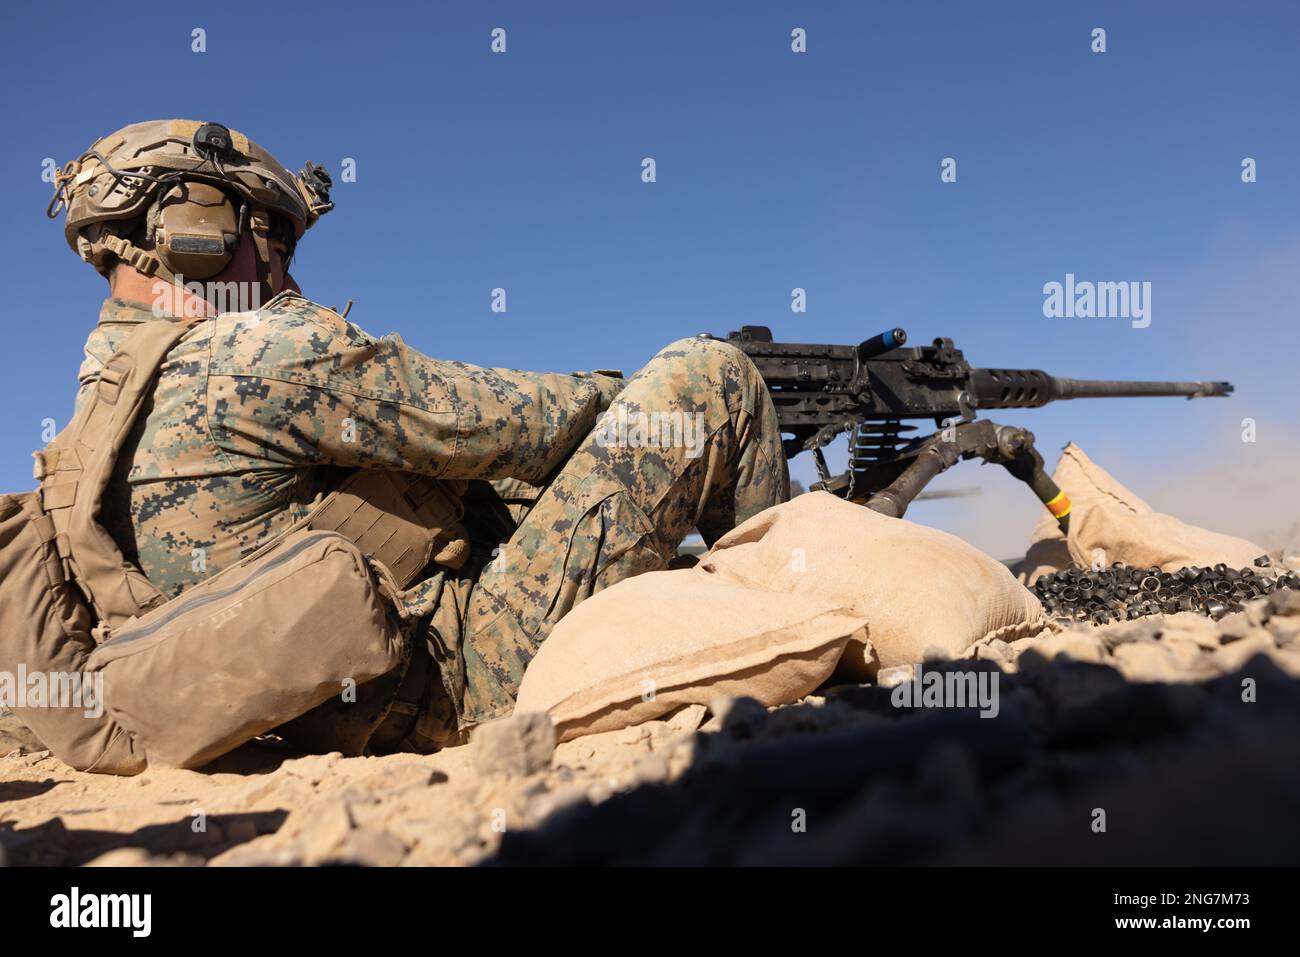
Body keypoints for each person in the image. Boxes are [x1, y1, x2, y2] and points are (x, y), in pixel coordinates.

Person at [41, 119, 789, 754]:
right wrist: (625, 400)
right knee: (709, 377)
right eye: (277, 245)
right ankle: (794, 633)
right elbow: (517, 423)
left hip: (294, 725)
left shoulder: (86, 430)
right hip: (449, 680)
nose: (288, 280)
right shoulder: (256, 353)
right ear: (201, 229)